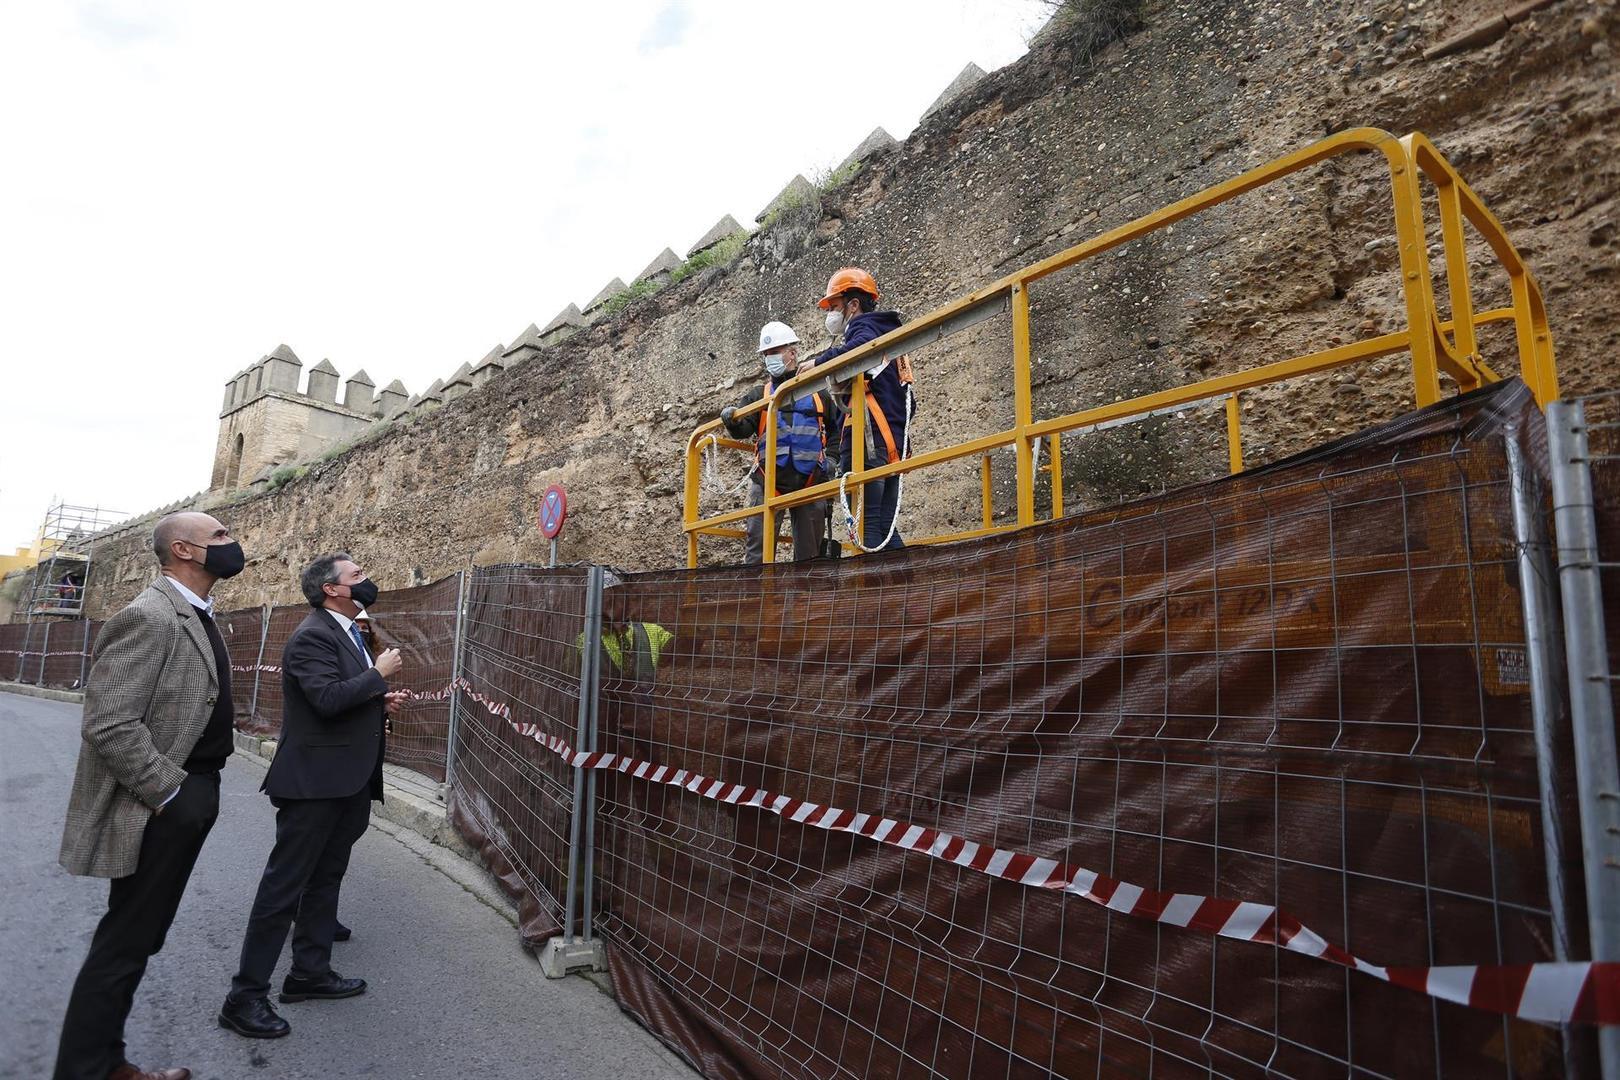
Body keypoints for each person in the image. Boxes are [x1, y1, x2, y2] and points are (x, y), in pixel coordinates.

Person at [53, 511, 247, 1080]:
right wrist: (171, 794)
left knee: (138, 937)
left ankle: (103, 1062)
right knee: (126, 941)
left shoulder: (197, 614)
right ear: (184, 551)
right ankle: (88, 1069)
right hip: (163, 801)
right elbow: (110, 723)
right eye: (220, 537)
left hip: (188, 796)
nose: (233, 544)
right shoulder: (150, 615)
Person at [218, 553, 405, 1040]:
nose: (366, 582)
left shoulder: (343, 633)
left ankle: (309, 974)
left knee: (325, 880)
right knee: (283, 891)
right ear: (332, 589)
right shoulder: (312, 635)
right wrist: (378, 676)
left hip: (346, 780)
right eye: (357, 576)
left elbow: (341, 693)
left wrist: (376, 698)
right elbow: (324, 700)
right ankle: (245, 997)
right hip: (314, 784)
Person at [808, 267, 912, 550]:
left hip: (869, 445)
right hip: (891, 444)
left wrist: (818, 364)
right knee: (883, 526)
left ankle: (890, 592)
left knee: (870, 528)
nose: (831, 314)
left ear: (853, 305)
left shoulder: (864, 328)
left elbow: (858, 349)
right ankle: (910, 585)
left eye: (835, 306)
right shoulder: (888, 335)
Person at [720, 321, 835, 563]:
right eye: (766, 354)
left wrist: (833, 460)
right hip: (767, 480)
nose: (769, 358)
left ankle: (805, 598)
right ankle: (758, 598)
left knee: (810, 556)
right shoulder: (758, 396)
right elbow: (744, 428)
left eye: (774, 352)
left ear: (792, 353)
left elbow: (838, 429)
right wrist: (732, 420)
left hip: (811, 481)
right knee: (758, 553)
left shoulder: (819, 393)